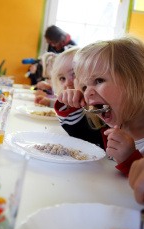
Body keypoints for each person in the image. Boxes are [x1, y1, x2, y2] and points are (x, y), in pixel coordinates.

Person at [54, 36, 144, 176]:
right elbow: (79, 135)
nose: (88, 93)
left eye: (99, 80)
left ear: (137, 80)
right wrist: (71, 105)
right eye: (84, 87)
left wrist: (131, 160)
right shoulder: (107, 128)